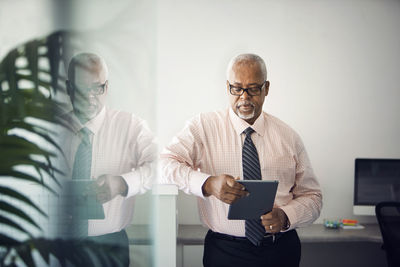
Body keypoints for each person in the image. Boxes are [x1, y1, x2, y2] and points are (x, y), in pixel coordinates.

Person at [160, 53, 322, 267]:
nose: (244, 97)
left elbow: (313, 197)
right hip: (225, 252)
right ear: (228, 87)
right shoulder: (202, 127)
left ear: (267, 88)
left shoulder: (288, 137)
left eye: (253, 88)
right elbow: (164, 164)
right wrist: (208, 184)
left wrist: (285, 216)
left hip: (280, 250)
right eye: (237, 88)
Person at [60, 52, 156, 266]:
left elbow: (159, 166)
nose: (91, 97)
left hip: (111, 247)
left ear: (107, 87)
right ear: (69, 88)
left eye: (98, 88)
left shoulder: (131, 126)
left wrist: (122, 183)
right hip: (57, 244)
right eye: (82, 89)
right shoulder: (50, 130)